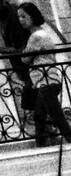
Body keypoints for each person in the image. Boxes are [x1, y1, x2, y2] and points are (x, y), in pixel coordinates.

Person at [15, 3, 71, 146]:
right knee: (40, 116)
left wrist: (23, 54)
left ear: (33, 16)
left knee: (56, 117)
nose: (21, 20)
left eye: (24, 16)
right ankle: (41, 144)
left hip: (46, 81)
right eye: (19, 17)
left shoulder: (36, 36)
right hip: (47, 81)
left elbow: (25, 59)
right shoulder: (42, 33)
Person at [0, 0, 34, 139]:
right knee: (34, 102)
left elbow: (20, 48)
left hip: (29, 67)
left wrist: (3, 50)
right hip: (23, 69)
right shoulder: (8, 16)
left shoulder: (15, 15)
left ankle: (42, 131)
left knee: (34, 101)